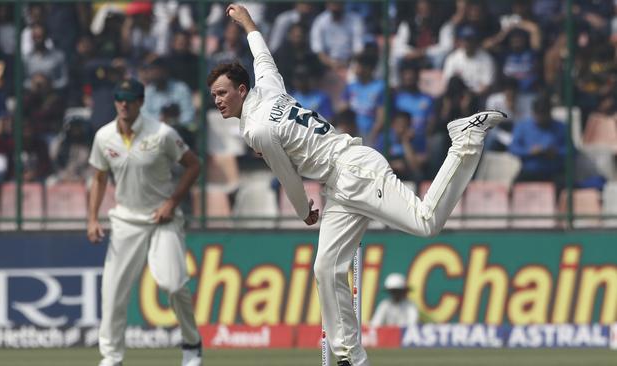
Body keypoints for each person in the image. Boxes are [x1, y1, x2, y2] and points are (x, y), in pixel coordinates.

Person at [208, 5, 506, 366]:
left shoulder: (257, 129)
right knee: (325, 268)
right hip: (338, 186)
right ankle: (352, 357)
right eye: (214, 97)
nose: (218, 101)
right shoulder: (269, 87)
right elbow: (262, 54)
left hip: (354, 171)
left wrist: (304, 211)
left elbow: (287, 176)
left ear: (241, 90)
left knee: (426, 223)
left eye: (223, 93)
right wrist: (248, 23)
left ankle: (465, 141)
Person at [87, 78, 202, 366]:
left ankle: (191, 344)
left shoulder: (162, 133)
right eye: (119, 98)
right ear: (115, 101)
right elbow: (99, 178)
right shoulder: (103, 137)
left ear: (141, 102)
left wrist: (172, 202)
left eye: (130, 98)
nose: (124, 103)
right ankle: (111, 357)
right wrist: (92, 219)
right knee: (112, 293)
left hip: (163, 219)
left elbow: (193, 164)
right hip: (126, 219)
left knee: (174, 284)